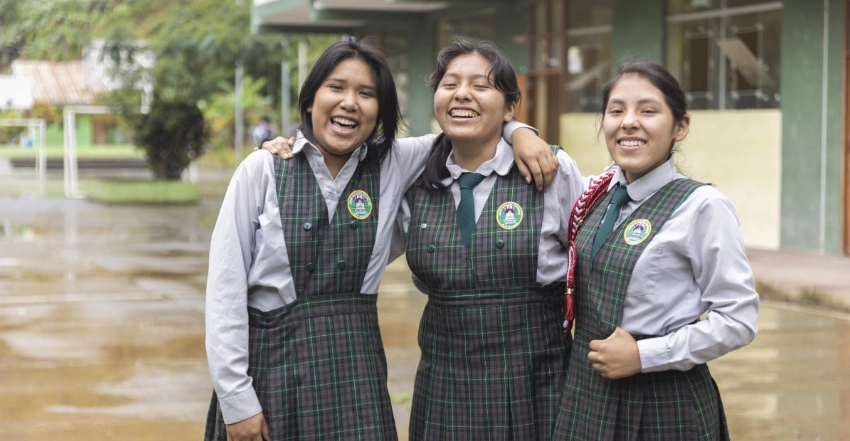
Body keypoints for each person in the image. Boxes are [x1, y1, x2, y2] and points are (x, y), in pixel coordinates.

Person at [205, 39, 556, 441]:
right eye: (336, 87)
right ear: (311, 98)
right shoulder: (262, 170)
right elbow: (224, 296)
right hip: (272, 372)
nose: (349, 103)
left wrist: (521, 131)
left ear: (380, 111)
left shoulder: (395, 162)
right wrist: (237, 401)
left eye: (366, 94)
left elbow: (468, 129)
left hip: (357, 377)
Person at [551, 61, 759, 440]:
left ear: (680, 126)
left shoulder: (702, 206)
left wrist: (645, 356)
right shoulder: (596, 194)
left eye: (648, 111)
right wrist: (520, 133)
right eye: (616, 111)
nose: (629, 122)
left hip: (663, 404)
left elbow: (738, 320)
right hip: (586, 396)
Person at [393, 40, 583, 440]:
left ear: (511, 106)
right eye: (450, 84)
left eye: (481, 85)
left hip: (536, 381)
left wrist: (520, 133)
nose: (462, 94)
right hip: (443, 387)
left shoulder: (551, 169)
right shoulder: (413, 172)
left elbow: (585, 264)